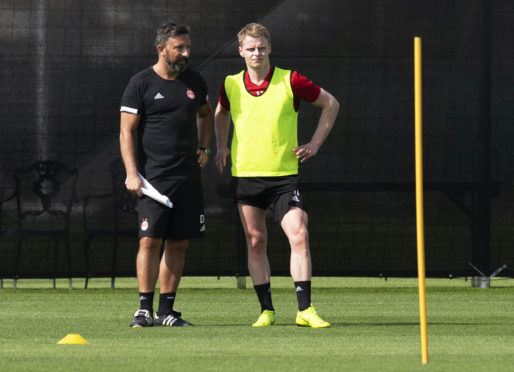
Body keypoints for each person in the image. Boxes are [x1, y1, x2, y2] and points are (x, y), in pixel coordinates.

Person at [215, 23, 339, 328]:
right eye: (250, 48)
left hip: (284, 177)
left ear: (269, 48)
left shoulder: (290, 80)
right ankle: (266, 310)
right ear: (240, 51)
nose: (256, 53)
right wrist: (220, 146)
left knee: (299, 232)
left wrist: (315, 144)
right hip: (246, 175)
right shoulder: (231, 84)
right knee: (255, 240)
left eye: (261, 47)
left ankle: (305, 309)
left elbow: (331, 104)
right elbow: (220, 113)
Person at [120, 22, 213, 328]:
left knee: (178, 243)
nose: (185, 53)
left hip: (187, 177)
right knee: (149, 241)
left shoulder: (194, 82)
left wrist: (204, 147)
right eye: (179, 48)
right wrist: (132, 174)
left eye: (187, 47)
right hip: (152, 181)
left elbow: (205, 114)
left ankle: (166, 311)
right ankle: (144, 309)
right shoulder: (141, 83)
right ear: (161, 49)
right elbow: (126, 133)